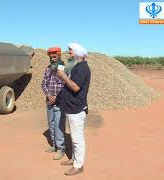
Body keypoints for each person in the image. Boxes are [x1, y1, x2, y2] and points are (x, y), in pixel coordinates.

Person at [56, 43, 91, 176]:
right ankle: (74, 159)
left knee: (77, 139)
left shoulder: (82, 68)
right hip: (71, 107)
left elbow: (75, 87)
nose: (69, 54)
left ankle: (78, 165)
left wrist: (63, 76)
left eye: (71, 52)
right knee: (74, 137)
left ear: (78, 54)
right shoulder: (76, 67)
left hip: (77, 108)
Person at [41, 47, 66, 160]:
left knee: (58, 125)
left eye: (54, 56)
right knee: (51, 124)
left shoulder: (65, 69)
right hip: (49, 101)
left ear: (59, 55)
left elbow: (66, 85)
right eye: (51, 57)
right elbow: (43, 84)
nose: (52, 58)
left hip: (60, 101)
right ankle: (54, 145)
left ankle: (61, 149)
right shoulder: (48, 68)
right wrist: (49, 95)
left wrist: (56, 96)